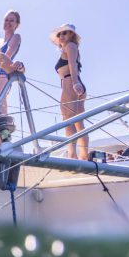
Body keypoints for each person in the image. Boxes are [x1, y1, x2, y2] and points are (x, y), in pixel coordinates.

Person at [50, 23, 89, 160]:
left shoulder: (70, 46)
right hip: (74, 84)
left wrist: (75, 83)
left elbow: (72, 65)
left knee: (68, 122)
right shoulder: (71, 47)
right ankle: (84, 156)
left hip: (71, 83)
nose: (61, 36)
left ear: (71, 34)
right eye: (59, 34)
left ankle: (72, 155)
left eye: (65, 33)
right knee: (79, 123)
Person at [0, 10, 22, 115]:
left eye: (12, 20)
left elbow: (7, 55)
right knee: (0, 107)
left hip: (2, 75)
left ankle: (3, 129)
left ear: (17, 24)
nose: (8, 22)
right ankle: (3, 130)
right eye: (6, 20)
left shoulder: (16, 37)